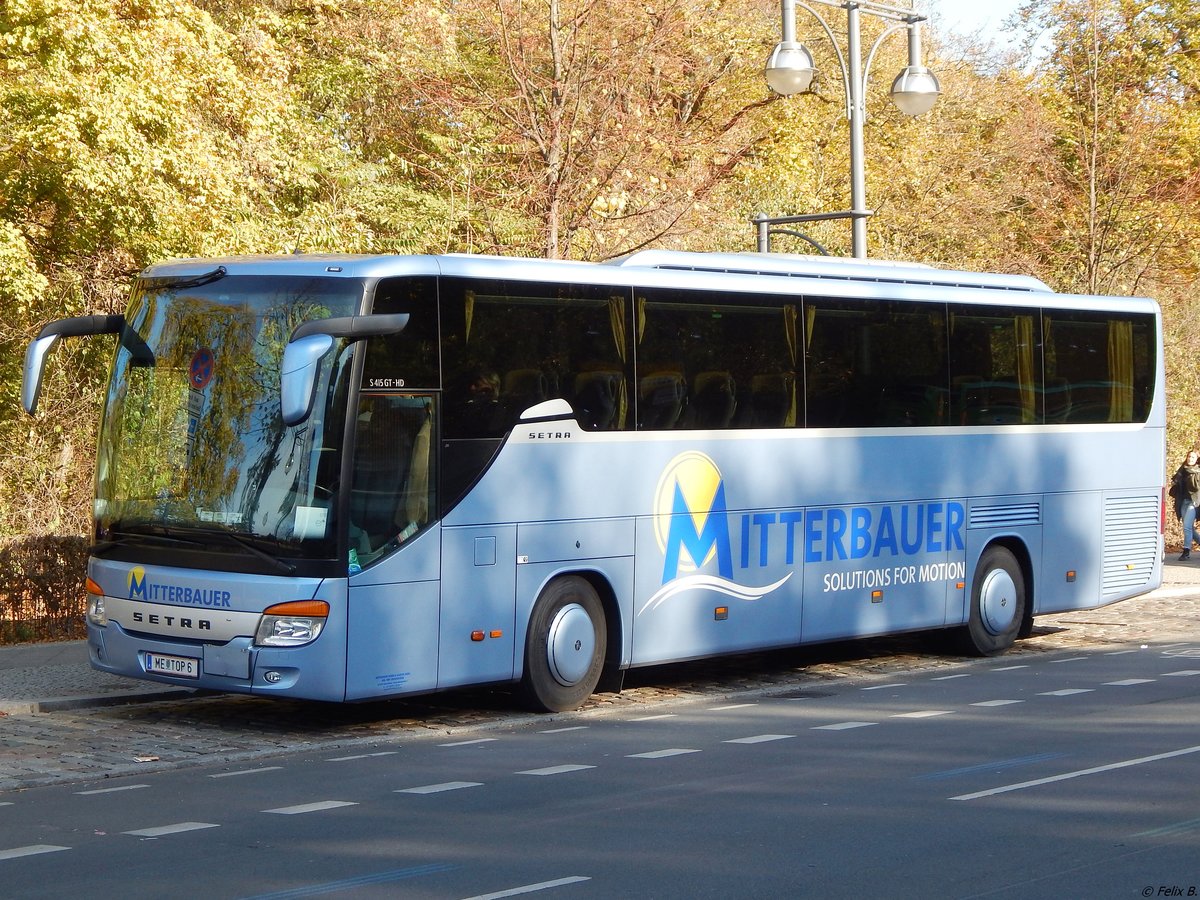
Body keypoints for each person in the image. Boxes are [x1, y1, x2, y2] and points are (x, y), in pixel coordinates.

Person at [1169, 449, 1200, 559]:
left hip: (1194, 502)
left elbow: (1196, 488)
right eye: (1189, 456)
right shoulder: (1182, 470)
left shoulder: (1198, 471)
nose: (1190, 459)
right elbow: (1175, 483)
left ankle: (1186, 552)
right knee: (1189, 527)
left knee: (1186, 527)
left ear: (1197, 460)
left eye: (1193, 457)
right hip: (1183, 501)